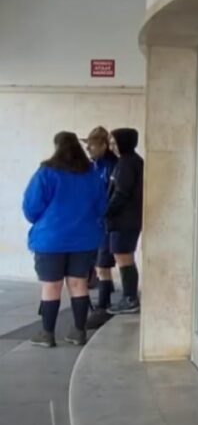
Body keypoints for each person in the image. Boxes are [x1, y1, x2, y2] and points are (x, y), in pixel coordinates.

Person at [22, 131, 108, 347]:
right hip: (84, 239)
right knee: (79, 284)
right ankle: (79, 332)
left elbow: (32, 207)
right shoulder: (92, 175)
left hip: (51, 239)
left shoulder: (46, 173)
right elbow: (101, 207)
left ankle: (47, 334)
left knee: (51, 286)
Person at [101, 128, 144, 315]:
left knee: (124, 258)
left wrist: (106, 211)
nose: (111, 147)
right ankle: (129, 297)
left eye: (114, 143)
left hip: (124, 219)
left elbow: (121, 193)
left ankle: (129, 298)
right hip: (126, 218)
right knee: (124, 257)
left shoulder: (127, 163)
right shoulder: (130, 161)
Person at [82, 126, 118, 312]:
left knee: (102, 264)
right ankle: (105, 296)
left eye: (92, 145)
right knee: (99, 263)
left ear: (104, 145)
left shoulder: (112, 166)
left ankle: (103, 304)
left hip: (106, 220)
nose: (88, 149)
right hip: (96, 221)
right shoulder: (94, 165)